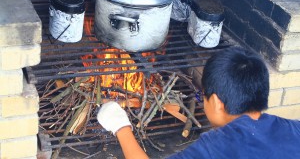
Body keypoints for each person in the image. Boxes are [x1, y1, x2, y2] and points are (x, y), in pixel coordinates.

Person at [97, 47, 300, 159]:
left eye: (203, 97)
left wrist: (120, 127)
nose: (202, 102)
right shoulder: (294, 129)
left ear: (217, 103)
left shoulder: (217, 147)